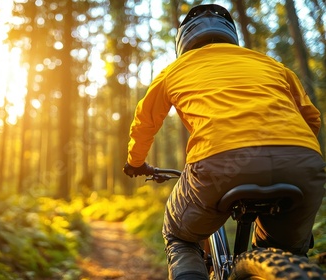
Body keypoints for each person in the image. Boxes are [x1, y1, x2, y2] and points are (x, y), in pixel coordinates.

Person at [122, 4, 326, 280]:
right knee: (288, 252)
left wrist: (135, 163)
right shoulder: (270, 64)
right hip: (303, 162)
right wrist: (286, 153)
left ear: (184, 41)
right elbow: (312, 119)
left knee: (180, 236)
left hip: (218, 164)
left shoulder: (175, 69)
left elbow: (144, 122)